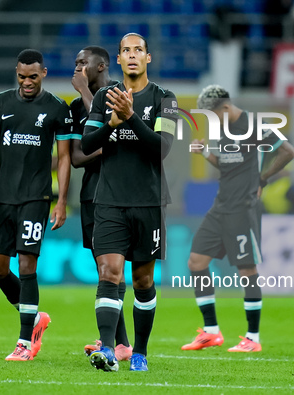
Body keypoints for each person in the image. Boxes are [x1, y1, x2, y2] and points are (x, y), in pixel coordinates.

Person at [0, 49, 75, 361]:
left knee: (27, 264)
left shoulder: (58, 108)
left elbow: (66, 156)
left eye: (33, 77)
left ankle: (25, 342)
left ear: (43, 73)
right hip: (2, 197)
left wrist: (61, 202)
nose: (27, 82)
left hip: (35, 197)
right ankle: (35, 318)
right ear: (16, 73)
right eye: (21, 77)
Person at [81, 33, 177, 372]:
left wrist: (131, 118)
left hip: (149, 203)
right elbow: (86, 144)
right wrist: (112, 122)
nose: (132, 55)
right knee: (109, 272)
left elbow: (163, 149)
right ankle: (108, 349)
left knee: (142, 281)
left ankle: (141, 352)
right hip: (108, 201)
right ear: (119, 60)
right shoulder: (103, 98)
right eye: (126, 51)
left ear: (148, 58)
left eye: (138, 50)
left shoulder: (166, 98)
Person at [180, 85, 294, 353]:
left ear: (225, 107)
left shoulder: (254, 125)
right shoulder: (222, 129)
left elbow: (288, 151)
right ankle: (211, 332)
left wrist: (263, 178)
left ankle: (252, 339)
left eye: (211, 114)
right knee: (196, 262)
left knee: (247, 271)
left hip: (243, 209)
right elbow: (227, 164)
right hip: (220, 206)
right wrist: (206, 154)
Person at [68, 45, 133, 362]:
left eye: (84, 62)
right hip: (91, 192)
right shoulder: (75, 107)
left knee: (113, 269)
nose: (78, 67)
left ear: (102, 65)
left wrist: (84, 93)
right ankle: (119, 343)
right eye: (76, 62)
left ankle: (120, 344)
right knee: (106, 270)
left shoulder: (121, 95)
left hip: (117, 192)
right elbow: (78, 156)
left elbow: (117, 140)